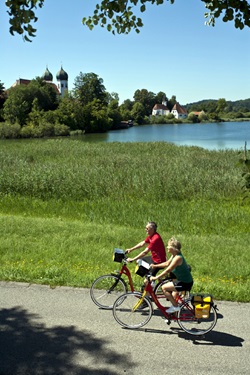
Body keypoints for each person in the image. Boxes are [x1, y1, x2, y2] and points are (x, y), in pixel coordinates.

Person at [150, 237, 193, 313]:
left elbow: (168, 270)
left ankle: (175, 306)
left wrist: (156, 277)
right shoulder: (174, 255)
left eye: (169, 246)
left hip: (185, 283)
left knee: (164, 288)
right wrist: (155, 266)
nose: (167, 247)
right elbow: (166, 264)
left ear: (174, 248)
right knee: (167, 288)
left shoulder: (178, 258)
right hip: (182, 280)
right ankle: (174, 307)